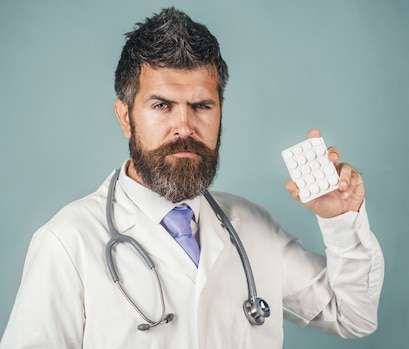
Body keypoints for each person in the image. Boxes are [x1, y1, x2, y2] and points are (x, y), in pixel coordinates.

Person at [0, 7, 384, 349]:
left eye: (201, 105)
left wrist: (341, 219)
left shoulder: (252, 226)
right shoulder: (67, 242)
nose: (184, 126)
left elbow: (353, 316)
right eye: (162, 105)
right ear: (125, 117)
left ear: (220, 111)